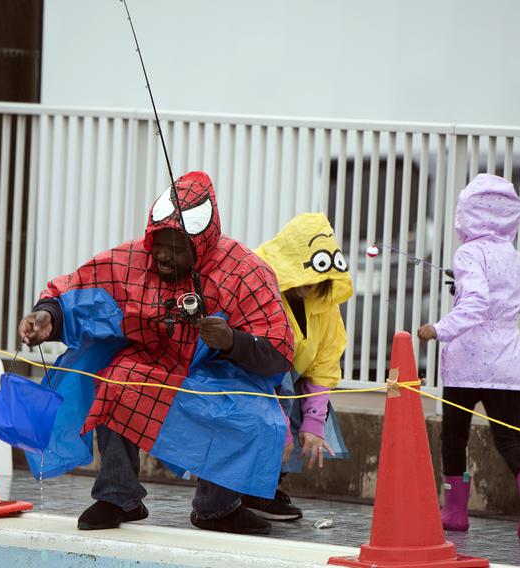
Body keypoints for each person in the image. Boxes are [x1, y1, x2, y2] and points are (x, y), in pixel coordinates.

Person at [19, 171, 294, 535]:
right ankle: (118, 496)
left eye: (177, 248)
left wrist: (232, 341)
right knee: (115, 379)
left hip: (220, 374)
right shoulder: (135, 258)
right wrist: (48, 315)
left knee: (250, 414)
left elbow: (278, 349)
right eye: (159, 242)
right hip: (151, 365)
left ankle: (217, 508)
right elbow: (76, 290)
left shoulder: (245, 271)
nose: (163, 255)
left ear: (202, 245)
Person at [417, 173, 520, 541]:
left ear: (466, 214)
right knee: (510, 438)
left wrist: (438, 329)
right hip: (507, 361)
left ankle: (455, 512)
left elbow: (475, 304)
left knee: (454, 436)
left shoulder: (469, 252)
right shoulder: (515, 256)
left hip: (467, 361)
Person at [240, 212, 352, 521]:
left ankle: (267, 487)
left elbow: (324, 365)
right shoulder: (261, 291)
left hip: (291, 381)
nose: (314, 286)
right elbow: (257, 364)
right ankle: (243, 490)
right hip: (251, 377)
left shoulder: (325, 305)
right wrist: (280, 430)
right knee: (273, 428)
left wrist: (313, 423)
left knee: (311, 417)